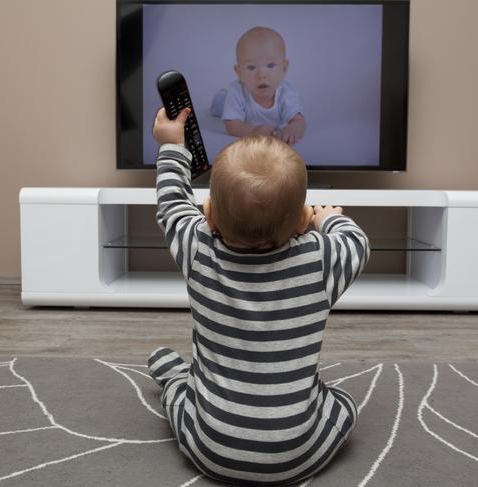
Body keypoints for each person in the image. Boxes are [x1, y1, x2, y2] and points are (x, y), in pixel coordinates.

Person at [148, 107, 369, 485]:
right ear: (301, 220)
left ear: (210, 216)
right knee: (344, 406)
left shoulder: (197, 249)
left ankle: (174, 378)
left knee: (182, 398)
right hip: (299, 453)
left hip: (210, 449)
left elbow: (171, 204)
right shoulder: (321, 259)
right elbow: (357, 242)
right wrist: (327, 218)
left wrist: (172, 146)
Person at [210, 26, 306, 145]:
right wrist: (253, 131)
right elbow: (231, 125)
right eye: (251, 67)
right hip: (226, 103)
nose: (261, 75)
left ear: (284, 68)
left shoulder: (286, 92)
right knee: (220, 105)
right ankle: (222, 96)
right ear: (239, 72)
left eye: (270, 66)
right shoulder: (236, 91)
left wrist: (291, 130)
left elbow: (299, 121)